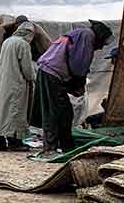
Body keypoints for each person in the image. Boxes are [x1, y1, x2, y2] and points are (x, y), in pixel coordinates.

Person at [32, 20, 114, 153]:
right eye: (103, 43)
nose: (101, 48)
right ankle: (52, 147)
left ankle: (64, 145)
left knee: (62, 111)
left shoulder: (81, 33)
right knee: (56, 112)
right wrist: (78, 84)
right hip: (52, 74)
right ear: (100, 36)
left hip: (49, 72)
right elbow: (79, 64)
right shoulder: (87, 35)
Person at [0, 22, 36, 151]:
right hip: (15, 83)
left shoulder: (7, 42)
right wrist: (34, 78)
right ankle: (15, 142)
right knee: (14, 112)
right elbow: (27, 69)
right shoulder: (23, 44)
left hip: (2, 82)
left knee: (1, 112)